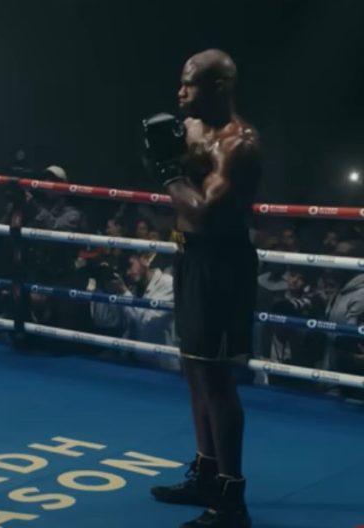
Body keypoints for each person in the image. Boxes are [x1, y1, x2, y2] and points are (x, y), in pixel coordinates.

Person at [143, 49, 261, 527]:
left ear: (219, 86)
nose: (180, 92)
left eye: (190, 84)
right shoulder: (188, 129)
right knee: (193, 370)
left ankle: (232, 500)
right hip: (188, 257)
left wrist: (168, 171)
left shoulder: (240, 145)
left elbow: (206, 214)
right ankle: (206, 473)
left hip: (222, 263)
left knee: (216, 379)